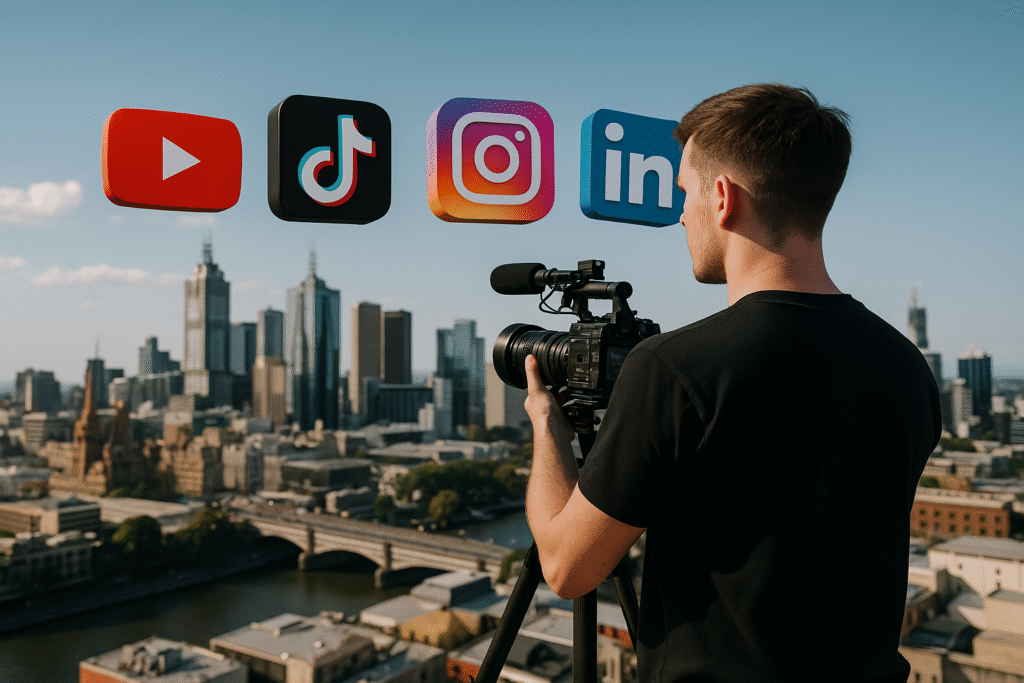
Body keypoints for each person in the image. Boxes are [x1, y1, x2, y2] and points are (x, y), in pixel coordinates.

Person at [522, 84, 941, 682]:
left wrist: (547, 425)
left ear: (722, 198)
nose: (681, 215)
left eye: (686, 193)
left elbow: (566, 569)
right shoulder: (906, 367)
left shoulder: (674, 367)